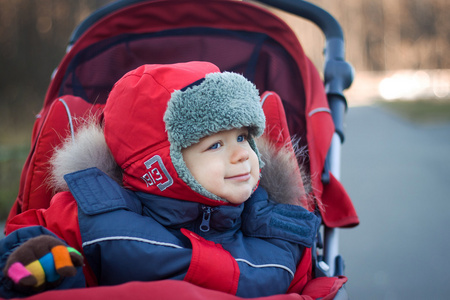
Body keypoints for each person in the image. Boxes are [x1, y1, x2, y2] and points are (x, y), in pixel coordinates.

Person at [0, 62, 320, 298]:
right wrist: (46, 269)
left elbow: (305, 285)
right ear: (160, 167)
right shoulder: (97, 219)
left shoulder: (277, 229)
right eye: (216, 145)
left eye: (242, 136)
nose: (242, 155)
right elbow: (27, 246)